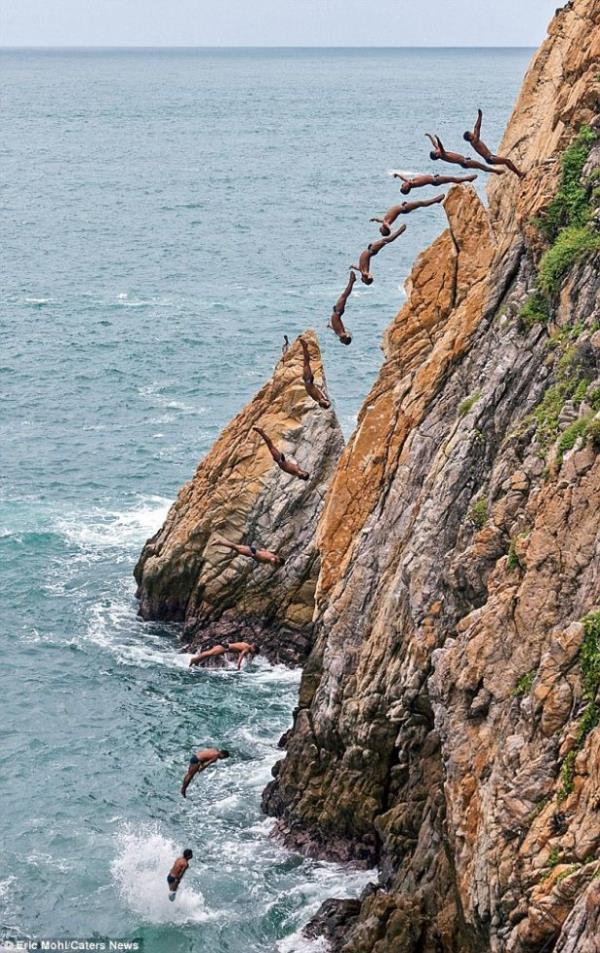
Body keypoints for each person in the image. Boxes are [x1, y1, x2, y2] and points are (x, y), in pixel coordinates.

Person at [463, 109, 524, 177]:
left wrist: (479, 116)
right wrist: (480, 117)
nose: (472, 133)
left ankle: (519, 174)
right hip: (490, 158)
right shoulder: (474, 141)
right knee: (507, 161)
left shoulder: (473, 141)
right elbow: (477, 129)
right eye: (471, 134)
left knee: (507, 162)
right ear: (470, 137)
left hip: (490, 157)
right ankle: (519, 174)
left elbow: (475, 127)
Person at [425, 133, 504, 174]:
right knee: (481, 166)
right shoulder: (443, 155)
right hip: (465, 162)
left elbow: (434, 143)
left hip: (465, 161)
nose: (435, 149)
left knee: (480, 166)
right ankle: (497, 172)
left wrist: (429, 136)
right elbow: (440, 146)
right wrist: (438, 139)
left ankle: (496, 170)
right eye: (435, 151)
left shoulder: (439, 151)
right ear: (436, 155)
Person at [370, 193, 445, 236]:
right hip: (404, 208)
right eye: (381, 231)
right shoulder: (386, 223)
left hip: (404, 208)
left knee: (420, 203)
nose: (380, 230)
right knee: (421, 203)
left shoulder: (385, 221)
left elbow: (381, 221)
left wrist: (375, 219)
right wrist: (390, 229)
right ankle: (435, 200)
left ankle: (435, 200)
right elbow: (386, 225)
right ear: (384, 229)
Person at [214, 535, 285, 567]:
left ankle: (219, 542)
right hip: (252, 553)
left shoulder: (272, 554)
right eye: (279, 564)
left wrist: (262, 553)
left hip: (253, 551)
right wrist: (274, 564)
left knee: (235, 547)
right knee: (234, 547)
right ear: (279, 561)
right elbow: (272, 561)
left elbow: (263, 550)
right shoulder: (273, 559)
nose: (277, 565)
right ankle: (219, 542)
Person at [300, 338, 331, 408]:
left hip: (308, 381)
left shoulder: (319, 399)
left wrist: (310, 381)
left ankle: (304, 346)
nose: (327, 401)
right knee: (306, 362)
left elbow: (312, 391)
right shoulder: (320, 398)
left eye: (326, 402)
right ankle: (304, 346)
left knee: (306, 362)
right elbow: (316, 390)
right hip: (309, 381)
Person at [329, 269, 356, 345]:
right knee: (344, 295)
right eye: (343, 342)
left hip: (337, 312)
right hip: (338, 312)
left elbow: (336, 328)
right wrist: (347, 337)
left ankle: (352, 281)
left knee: (344, 295)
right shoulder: (342, 335)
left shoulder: (340, 334)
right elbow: (347, 334)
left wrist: (330, 327)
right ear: (345, 339)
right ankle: (352, 281)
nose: (341, 342)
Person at [188, 642, 260, 669]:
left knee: (208, 654)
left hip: (225, 647)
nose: (253, 653)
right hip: (224, 647)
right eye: (254, 652)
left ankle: (196, 661)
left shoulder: (246, 645)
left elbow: (238, 650)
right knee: (209, 653)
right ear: (253, 648)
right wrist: (238, 666)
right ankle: (194, 660)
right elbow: (241, 655)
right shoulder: (247, 648)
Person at [393, 171, 477, 195]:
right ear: (407, 188)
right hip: (435, 180)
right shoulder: (411, 183)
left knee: (452, 179)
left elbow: (404, 180)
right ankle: (468, 179)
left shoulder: (411, 183)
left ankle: (467, 179)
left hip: (434, 179)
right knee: (453, 178)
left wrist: (397, 175)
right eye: (403, 186)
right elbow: (404, 179)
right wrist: (398, 175)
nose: (403, 184)